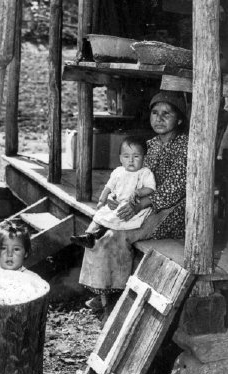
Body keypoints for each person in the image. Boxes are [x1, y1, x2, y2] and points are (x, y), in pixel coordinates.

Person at [78, 90, 188, 317]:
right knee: (100, 229)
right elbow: (129, 177)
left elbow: (173, 190)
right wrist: (115, 196)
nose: (159, 118)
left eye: (166, 114)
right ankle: (103, 291)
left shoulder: (185, 147)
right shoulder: (149, 146)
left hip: (171, 210)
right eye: (155, 113)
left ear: (178, 119)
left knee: (117, 236)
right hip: (142, 206)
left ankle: (115, 300)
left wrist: (139, 205)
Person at [70, 136, 156, 249]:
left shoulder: (145, 173)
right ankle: (88, 234)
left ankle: (97, 234)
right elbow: (108, 187)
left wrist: (139, 192)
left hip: (130, 206)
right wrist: (102, 200)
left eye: (136, 156)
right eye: (126, 156)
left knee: (115, 219)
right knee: (99, 215)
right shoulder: (118, 172)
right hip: (116, 203)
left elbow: (151, 188)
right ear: (120, 158)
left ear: (144, 158)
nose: (131, 160)